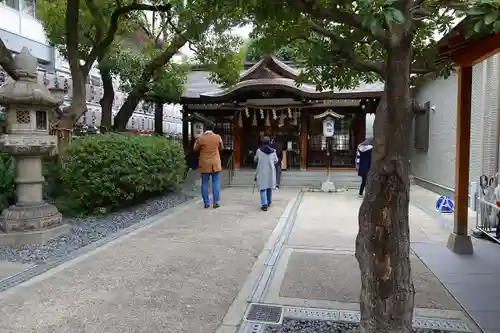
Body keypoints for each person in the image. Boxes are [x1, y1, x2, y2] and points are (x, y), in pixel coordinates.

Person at [193, 125, 223, 208]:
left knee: (205, 183)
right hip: (215, 164)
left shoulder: (201, 138)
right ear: (213, 129)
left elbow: (195, 148)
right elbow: (221, 147)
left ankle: (206, 203)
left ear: (204, 129)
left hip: (204, 164)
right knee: (216, 183)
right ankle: (215, 202)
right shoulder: (217, 137)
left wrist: (197, 140)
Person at [254, 136, 278, 211]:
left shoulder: (259, 151)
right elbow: (276, 160)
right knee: (269, 187)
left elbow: (256, 159)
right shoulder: (273, 151)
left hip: (262, 171)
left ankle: (264, 205)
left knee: (262, 188)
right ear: (269, 142)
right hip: (270, 171)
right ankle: (269, 202)